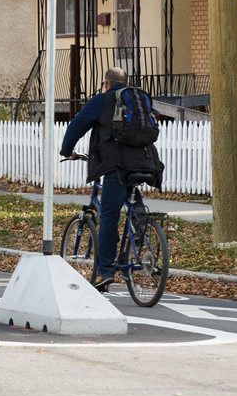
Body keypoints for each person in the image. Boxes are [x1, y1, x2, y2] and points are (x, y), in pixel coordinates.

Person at [60, 67, 163, 292]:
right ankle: (141, 233)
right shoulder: (136, 99)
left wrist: (66, 150)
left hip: (117, 166)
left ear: (106, 83)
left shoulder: (103, 100)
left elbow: (77, 125)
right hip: (146, 163)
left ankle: (105, 272)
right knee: (133, 205)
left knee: (108, 215)